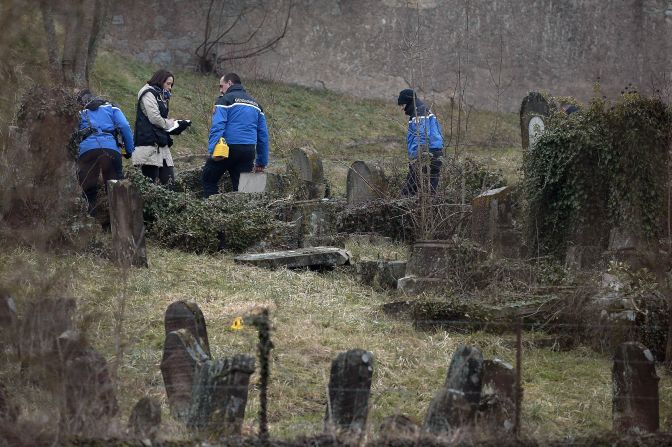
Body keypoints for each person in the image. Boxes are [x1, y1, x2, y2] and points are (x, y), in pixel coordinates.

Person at [202, 73, 269, 197]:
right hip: (248, 151)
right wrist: (261, 162)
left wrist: (212, 151)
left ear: (230, 83)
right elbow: (263, 136)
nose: (220, 90)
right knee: (244, 190)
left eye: (221, 86)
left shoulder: (224, 100)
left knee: (208, 180)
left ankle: (212, 212)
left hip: (227, 149)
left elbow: (217, 127)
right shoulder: (257, 105)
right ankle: (243, 214)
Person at [75, 89, 134, 215]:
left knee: (89, 191)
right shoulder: (111, 107)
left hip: (87, 151)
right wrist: (129, 150)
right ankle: (123, 224)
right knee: (117, 187)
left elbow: (72, 135)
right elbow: (124, 126)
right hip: (110, 149)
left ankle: (91, 227)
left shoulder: (79, 113)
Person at [132, 69, 178, 185]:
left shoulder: (161, 96)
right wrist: (169, 123)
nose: (170, 87)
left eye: (171, 84)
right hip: (148, 145)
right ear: (160, 81)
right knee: (149, 184)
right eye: (168, 83)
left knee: (170, 182)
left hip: (161, 144)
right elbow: (154, 118)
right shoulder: (148, 93)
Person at [397, 88, 444, 196]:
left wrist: (419, 155)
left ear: (408, 102)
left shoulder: (419, 112)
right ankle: (430, 210)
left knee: (409, 190)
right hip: (435, 152)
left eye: (402, 105)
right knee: (430, 189)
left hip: (426, 154)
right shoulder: (423, 110)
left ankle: (404, 209)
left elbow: (422, 134)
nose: (401, 109)